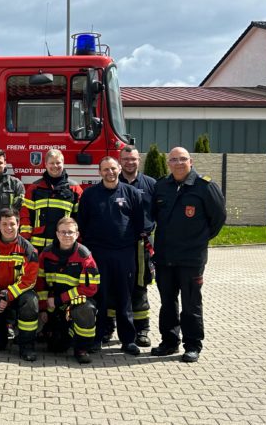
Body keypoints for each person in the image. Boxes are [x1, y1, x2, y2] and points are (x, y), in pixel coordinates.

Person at [151, 147, 226, 363]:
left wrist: (199, 239)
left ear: (190, 161)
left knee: (191, 303)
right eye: (173, 160)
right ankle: (169, 341)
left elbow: (218, 217)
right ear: (168, 164)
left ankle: (193, 345)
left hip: (191, 259)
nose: (178, 163)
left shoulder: (205, 186)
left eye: (182, 159)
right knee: (167, 302)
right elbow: (155, 216)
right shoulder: (161, 186)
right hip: (165, 256)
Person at [77, 156, 144, 356]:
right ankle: (97, 338)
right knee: (100, 298)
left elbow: (139, 224)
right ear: (99, 172)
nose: (110, 172)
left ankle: (128, 341)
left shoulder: (131, 193)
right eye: (105, 169)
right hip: (98, 255)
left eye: (113, 168)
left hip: (124, 254)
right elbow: (83, 223)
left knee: (125, 298)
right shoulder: (89, 195)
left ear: (119, 169)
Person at [0, 208, 40, 361]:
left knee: (31, 302)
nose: (8, 228)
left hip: (16, 295)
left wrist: (7, 295)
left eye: (12, 224)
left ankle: (27, 345)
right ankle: (4, 328)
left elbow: (28, 280)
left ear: (19, 225)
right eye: (4, 224)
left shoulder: (29, 250)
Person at [36, 217, 99, 364]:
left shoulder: (84, 256)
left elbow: (89, 289)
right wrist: (44, 308)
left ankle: (82, 349)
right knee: (56, 347)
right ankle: (63, 332)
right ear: (57, 234)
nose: (67, 236)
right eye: (63, 232)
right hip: (54, 307)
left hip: (75, 303)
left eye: (70, 232)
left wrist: (59, 300)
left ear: (77, 234)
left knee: (86, 309)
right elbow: (40, 284)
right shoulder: (46, 254)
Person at [117, 146, 157, 347]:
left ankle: (142, 330)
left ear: (138, 161)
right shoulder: (114, 183)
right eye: (125, 159)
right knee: (116, 285)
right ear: (120, 161)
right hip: (120, 245)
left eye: (133, 159)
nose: (129, 163)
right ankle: (108, 328)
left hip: (142, 245)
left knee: (140, 286)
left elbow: (160, 213)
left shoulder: (150, 184)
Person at [20, 149, 83, 251]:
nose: (55, 166)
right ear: (46, 164)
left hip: (64, 246)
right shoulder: (34, 188)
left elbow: (80, 219)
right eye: (51, 163)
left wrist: (77, 243)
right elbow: (25, 215)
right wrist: (25, 240)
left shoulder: (75, 189)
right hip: (37, 246)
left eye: (58, 162)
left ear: (63, 163)